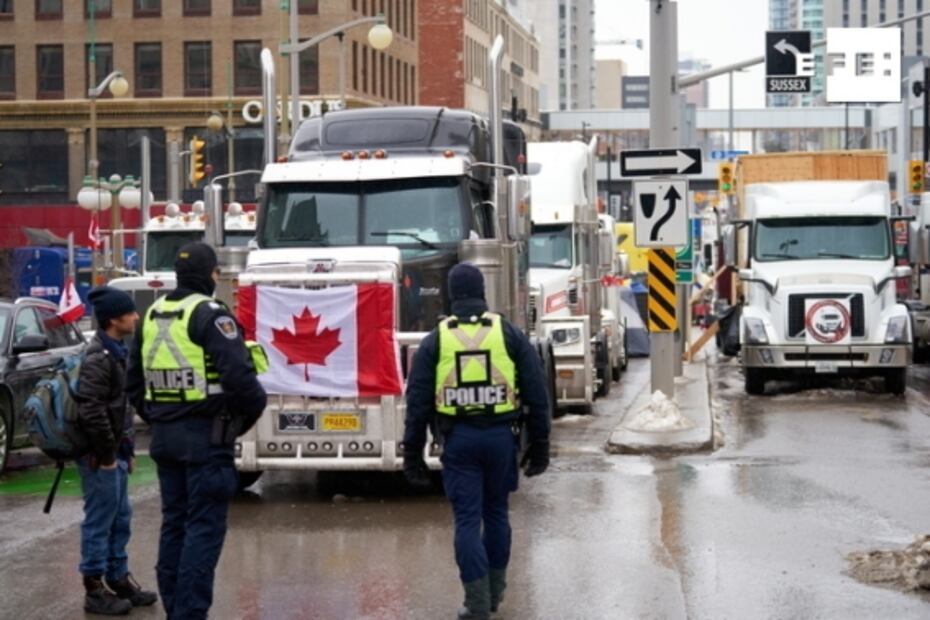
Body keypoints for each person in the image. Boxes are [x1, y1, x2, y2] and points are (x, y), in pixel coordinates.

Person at [126, 242, 267, 620]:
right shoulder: (211, 315)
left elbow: (133, 385)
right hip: (207, 439)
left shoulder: (152, 314)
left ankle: (177, 608)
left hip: (166, 438)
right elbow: (241, 380)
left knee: (174, 524)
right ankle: (190, 614)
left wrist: (159, 418)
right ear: (212, 276)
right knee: (203, 530)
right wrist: (239, 424)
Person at [403, 263, 551, 620]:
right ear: (483, 293)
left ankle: (476, 601)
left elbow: (418, 400)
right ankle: (495, 593)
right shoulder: (508, 333)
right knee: (497, 513)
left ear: (452, 295)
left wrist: (412, 453)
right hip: (501, 438)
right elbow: (536, 389)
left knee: (468, 520)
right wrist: (540, 443)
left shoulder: (436, 340)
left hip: (460, 441)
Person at [77, 286, 158, 615]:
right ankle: (94, 588)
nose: (136, 316)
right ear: (113, 320)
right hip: (100, 457)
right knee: (100, 520)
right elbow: (91, 410)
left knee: (121, 517)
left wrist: (125, 452)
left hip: (116, 454)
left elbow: (118, 408)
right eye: (130, 313)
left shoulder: (117, 350)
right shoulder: (99, 357)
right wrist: (108, 456)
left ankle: (118, 578)